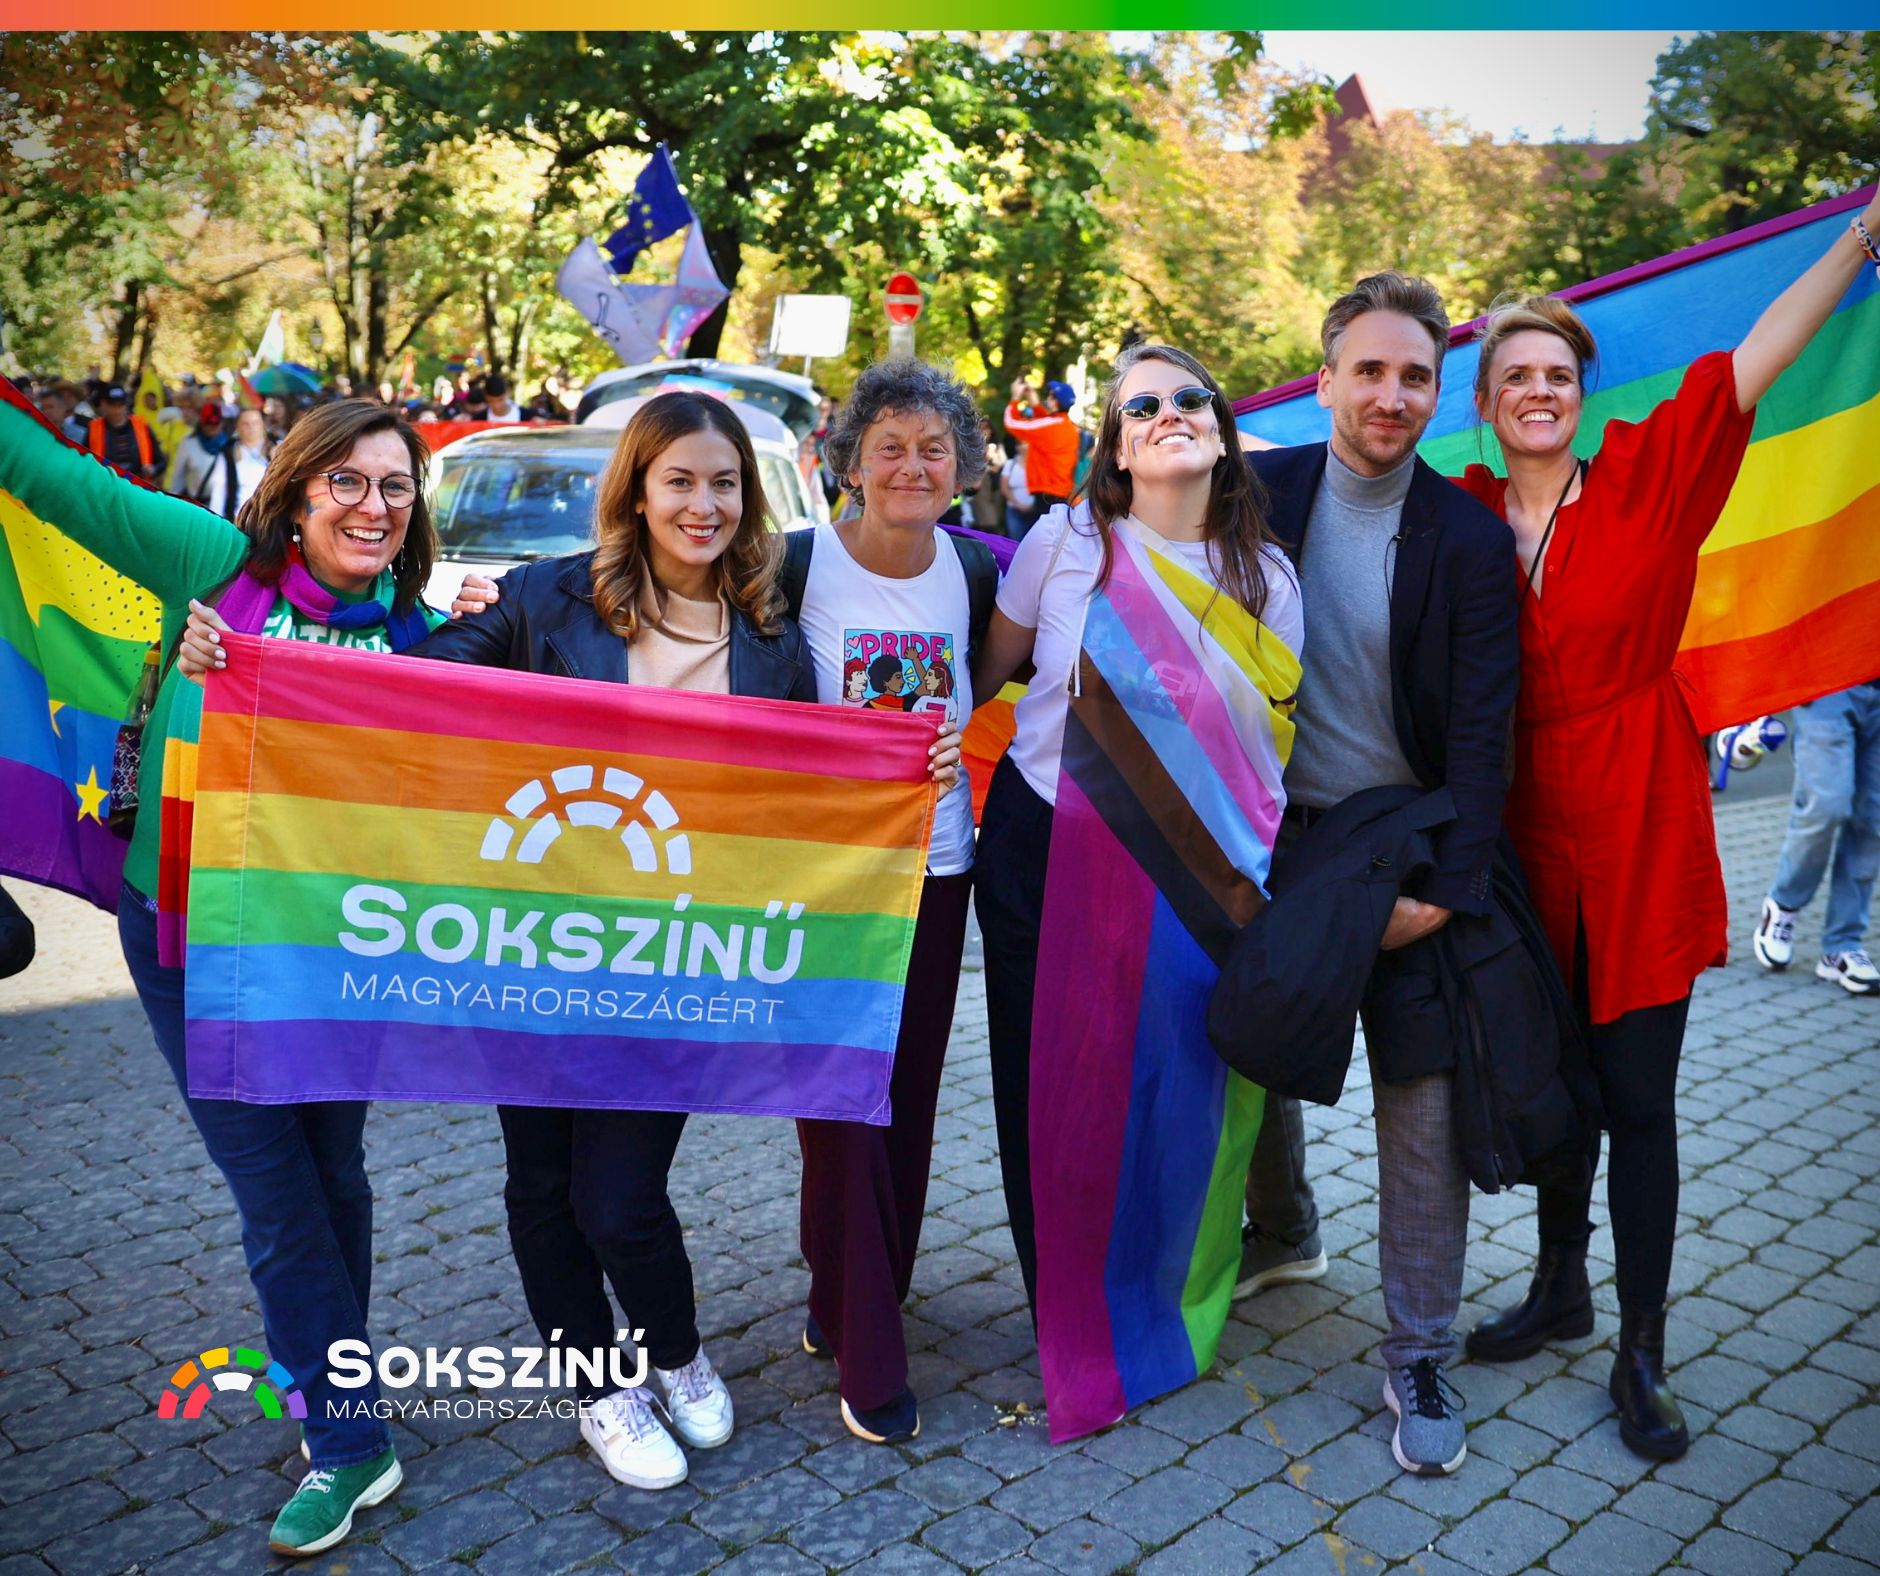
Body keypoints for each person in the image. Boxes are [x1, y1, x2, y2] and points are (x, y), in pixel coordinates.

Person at [1456, 188, 1880, 1460]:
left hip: (1639, 816)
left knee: (1636, 1095)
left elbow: (1762, 352)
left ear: (1579, 394)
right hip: (1520, 836)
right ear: (1485, 403)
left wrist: (1863, 236)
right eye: (1514, 376)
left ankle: (1639, 1347)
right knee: (1554, 1082)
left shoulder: (1651, 472)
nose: (1537, 390)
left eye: (1555, 373)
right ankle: (1558, 1285)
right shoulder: (1459, 512)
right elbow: (1336, 463)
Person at [0, 390, 444, 1556]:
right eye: (346, 480)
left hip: (333, 957)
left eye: (395, 486)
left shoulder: (425, 635)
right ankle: (348, 1441)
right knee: (279, 1194)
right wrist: (208, 660)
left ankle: (337, 1392)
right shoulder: (211, 570)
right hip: (191, 942)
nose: (372, 506)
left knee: (334, 1177)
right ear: (296, 493)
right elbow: (58, 482)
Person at [973, 343, 1306, 1434]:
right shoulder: (1062, 542)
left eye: (1189, 398)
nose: (1168, 412)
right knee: (1049, 1083)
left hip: (1191, 868)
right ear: (1114, 446)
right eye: (1141, 405)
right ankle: (1062, 1308)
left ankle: (1160, 1289)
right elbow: (986, 677)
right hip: (1044, 849)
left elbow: (1265, 757)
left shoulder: (1268, 578)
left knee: (1173, 1080)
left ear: (1221, 429)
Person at [1236, 274, 1521, 1478]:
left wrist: (1442, 894)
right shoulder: (1258, 495)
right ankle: (1280, 1228)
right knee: (1247, 1045)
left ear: (1436, 392)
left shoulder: (1467, 537)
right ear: (1324, 380)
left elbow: (1483, 737)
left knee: (1421, 1102)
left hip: (1403, 846)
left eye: (1415, 376)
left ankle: (1415, 1352)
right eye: (1369, 370)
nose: (1390, 395)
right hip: (1277, 841)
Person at [780, 359, 996, 1444]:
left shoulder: (978, 571)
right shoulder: (791, 567)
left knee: (905, 1097)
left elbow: (1029, 662)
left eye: (934, 448)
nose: (913, 466)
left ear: (962, 468)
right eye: (891, 447)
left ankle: (851, 1287)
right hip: (823, 884)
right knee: (838, 1106)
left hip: (938, 874)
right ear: (850, 463)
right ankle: (869, 1343)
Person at [1752, 681, 1880, 995]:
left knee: (1873, 822)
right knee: (1825, 807)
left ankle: (1843, 944)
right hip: (1830, 684)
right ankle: (1784, 904)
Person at [1002, 379, 1080, 528]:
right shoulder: (1067, 426)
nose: (1047, 398)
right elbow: (1045, 422)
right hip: (1058, 493)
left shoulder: (1051, 426)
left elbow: (1011, 422)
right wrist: (1034, 404)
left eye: (1050, 396)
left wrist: (1015, 397)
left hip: (1047, 495)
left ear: (1055, 402)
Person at [201, 408, 273, 520]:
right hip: (239, 518)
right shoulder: (228, 453)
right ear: (238, 427)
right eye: (245, 424)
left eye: (255, 423)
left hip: (269, 518)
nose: (251, 428)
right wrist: (216, 520)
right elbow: (219, 489)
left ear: (262, 425)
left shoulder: (275, 449)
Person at [88, 383, 166, 480]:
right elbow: (84, 460)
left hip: (137, 484)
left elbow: (161, 462)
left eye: (121, 405)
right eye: (113, 406)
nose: (117, 411)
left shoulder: (142, 425)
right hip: (105, 483)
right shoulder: (94, 428)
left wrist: (153, 469)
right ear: (103, 404)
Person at [170, 400, 233, 503]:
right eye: (207, 423)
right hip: (196, 502)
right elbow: (178, 476)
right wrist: (173, 500)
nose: (211, 427)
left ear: (222, 423)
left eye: (215, 423)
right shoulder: (188, 443)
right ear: (201, 424)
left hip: (221, 504)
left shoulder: (231, 445)